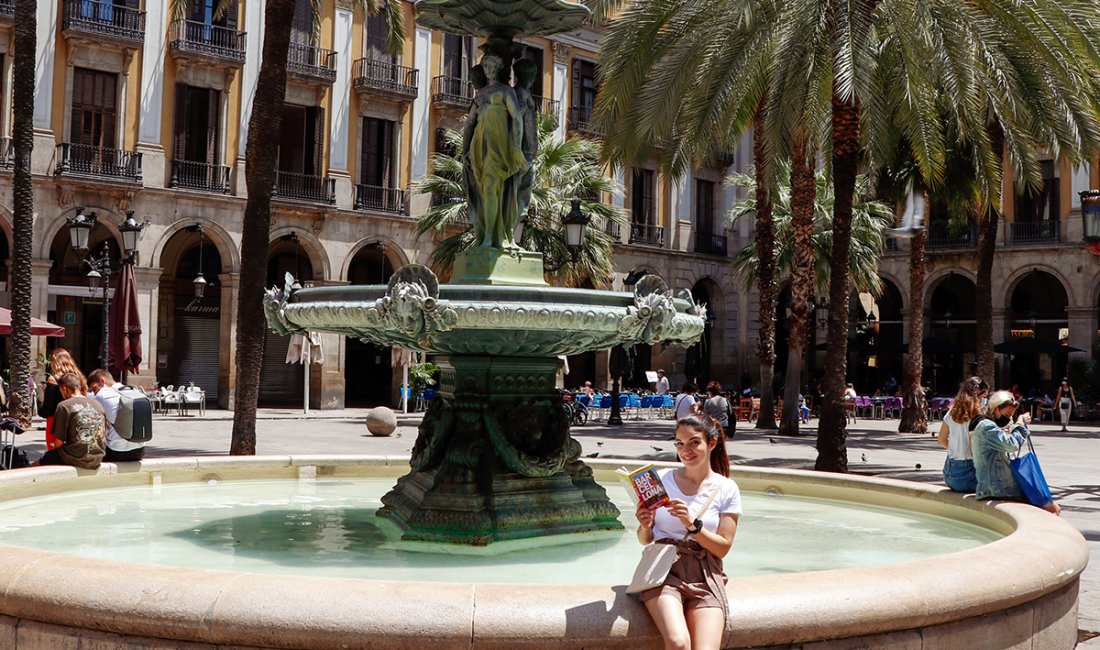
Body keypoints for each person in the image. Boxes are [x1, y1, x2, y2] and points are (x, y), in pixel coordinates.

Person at [634, 415, 741, 650]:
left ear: (711, 443)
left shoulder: (726, 488)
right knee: (678, 643)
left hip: (705, 574)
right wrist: (644, 526)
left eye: (694, 442)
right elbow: (645, 540)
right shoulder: (660, 479)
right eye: (680, 444)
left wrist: (692, 524)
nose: (686, 450)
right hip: (664, 570)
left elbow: (723, 547)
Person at [462, 54, 531, 249]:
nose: (490, 69)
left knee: (492, 188)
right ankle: (487, 234)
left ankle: (491, 238)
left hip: (498, 147)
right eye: (486, 66)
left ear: (500, 68)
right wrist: (464, 150)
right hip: (479, 147)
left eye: (493, 65)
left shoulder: (505, 91)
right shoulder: (481, 94)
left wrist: (516, 148)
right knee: (484, 192)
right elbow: (469, 124)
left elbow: (517, 118)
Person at [970, 390, 1060, 516]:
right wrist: (1019, 424)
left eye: (1011, 416)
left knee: (1051, 506)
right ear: (996, 409)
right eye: (1007, 415)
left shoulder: (992, 426)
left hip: (1002, 488)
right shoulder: (986, 426)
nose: (1008, 419)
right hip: (996, 490)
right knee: (1050, 509)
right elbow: (1011, 445)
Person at [36, 372, 105, 470]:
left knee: (38, 464)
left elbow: (58, 443)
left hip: (75, 457)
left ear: (64, 389)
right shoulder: (97, 404)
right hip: (97, 457)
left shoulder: (64, 406)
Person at [937, 376, 987, 493]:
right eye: (984, 397)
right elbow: (974, 448)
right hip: (968, 476)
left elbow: (941, 440)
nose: (985, 400)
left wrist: (956, 449)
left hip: (949, 474)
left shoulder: (952, 412)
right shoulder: (977, 416)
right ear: (977, 395)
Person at [88, 369, 146, 462]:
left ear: (102, 381)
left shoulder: (102, 395)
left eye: (94, 389)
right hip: (139, 450)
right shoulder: (134, 391)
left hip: (116, 451)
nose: (94, 393)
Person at [38, 348, 88, 451]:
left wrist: (46, 393)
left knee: (54, 453)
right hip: (76, 417)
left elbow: (48, 408)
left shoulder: (54, 379)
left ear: (55, 362)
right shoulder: (78, 376)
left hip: (56, 421)